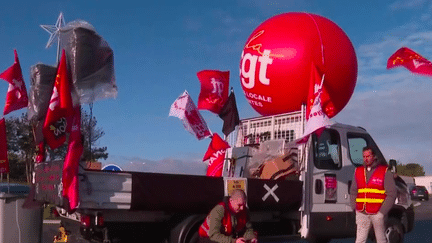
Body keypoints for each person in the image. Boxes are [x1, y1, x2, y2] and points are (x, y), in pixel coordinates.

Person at [350, 146, 397, 243]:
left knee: (380, 240)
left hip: (378, 213)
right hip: (361, 212)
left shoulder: (384, 171)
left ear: (374, 156)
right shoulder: (358, 171)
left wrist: (382, 213)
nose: (366, 159)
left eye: (368, 156)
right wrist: (354, 208)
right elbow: (353, 191)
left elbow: (392, 194)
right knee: (359, 240)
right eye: (364, 156)